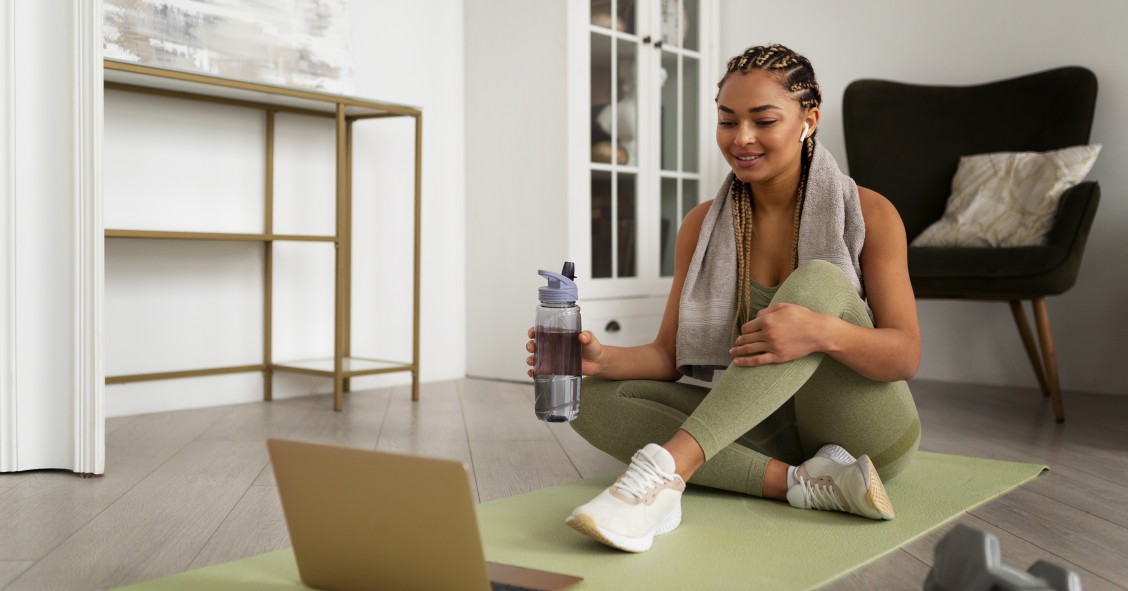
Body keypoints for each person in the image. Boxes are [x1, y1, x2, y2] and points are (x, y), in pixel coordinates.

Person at [525, 43, 921, 553]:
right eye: (727, 121)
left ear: (808, 120)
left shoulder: (870, 212)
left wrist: (822, 330)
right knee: (585, 399)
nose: (742, 138)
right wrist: (601, 359)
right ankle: (803, 484)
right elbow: (668, 357)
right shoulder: (702, 225)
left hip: (865, 434)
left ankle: (665, 475)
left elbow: (905, 354)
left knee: (818, 281)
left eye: (763, 120)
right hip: (767, 428)